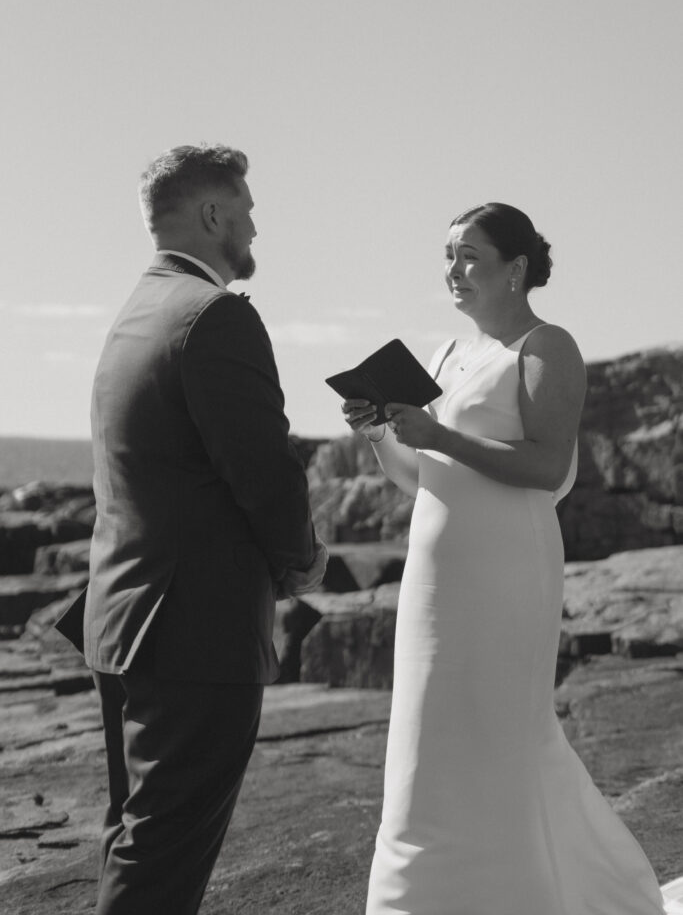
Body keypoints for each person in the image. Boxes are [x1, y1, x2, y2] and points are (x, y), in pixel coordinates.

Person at [343, 203, 676, 914]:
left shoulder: (545, 347)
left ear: (515, 269)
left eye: (468, 255)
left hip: (506, 571)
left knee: (499, 731)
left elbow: (546, 467)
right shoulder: (443, 355)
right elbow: (419, 476)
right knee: (427, 738)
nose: (452, 269)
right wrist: (381, 435)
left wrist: (439, 433)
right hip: (434, 573)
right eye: (447, 254)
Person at [56, 143, 327, 915]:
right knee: (161, 859)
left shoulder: (135, 314)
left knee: (134, 839)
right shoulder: (214, 317)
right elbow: (264, 473)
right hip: (193, 632)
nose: (251, 235)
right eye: (244, 216)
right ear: (212, 215)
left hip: (120, 621)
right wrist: (303, 563)